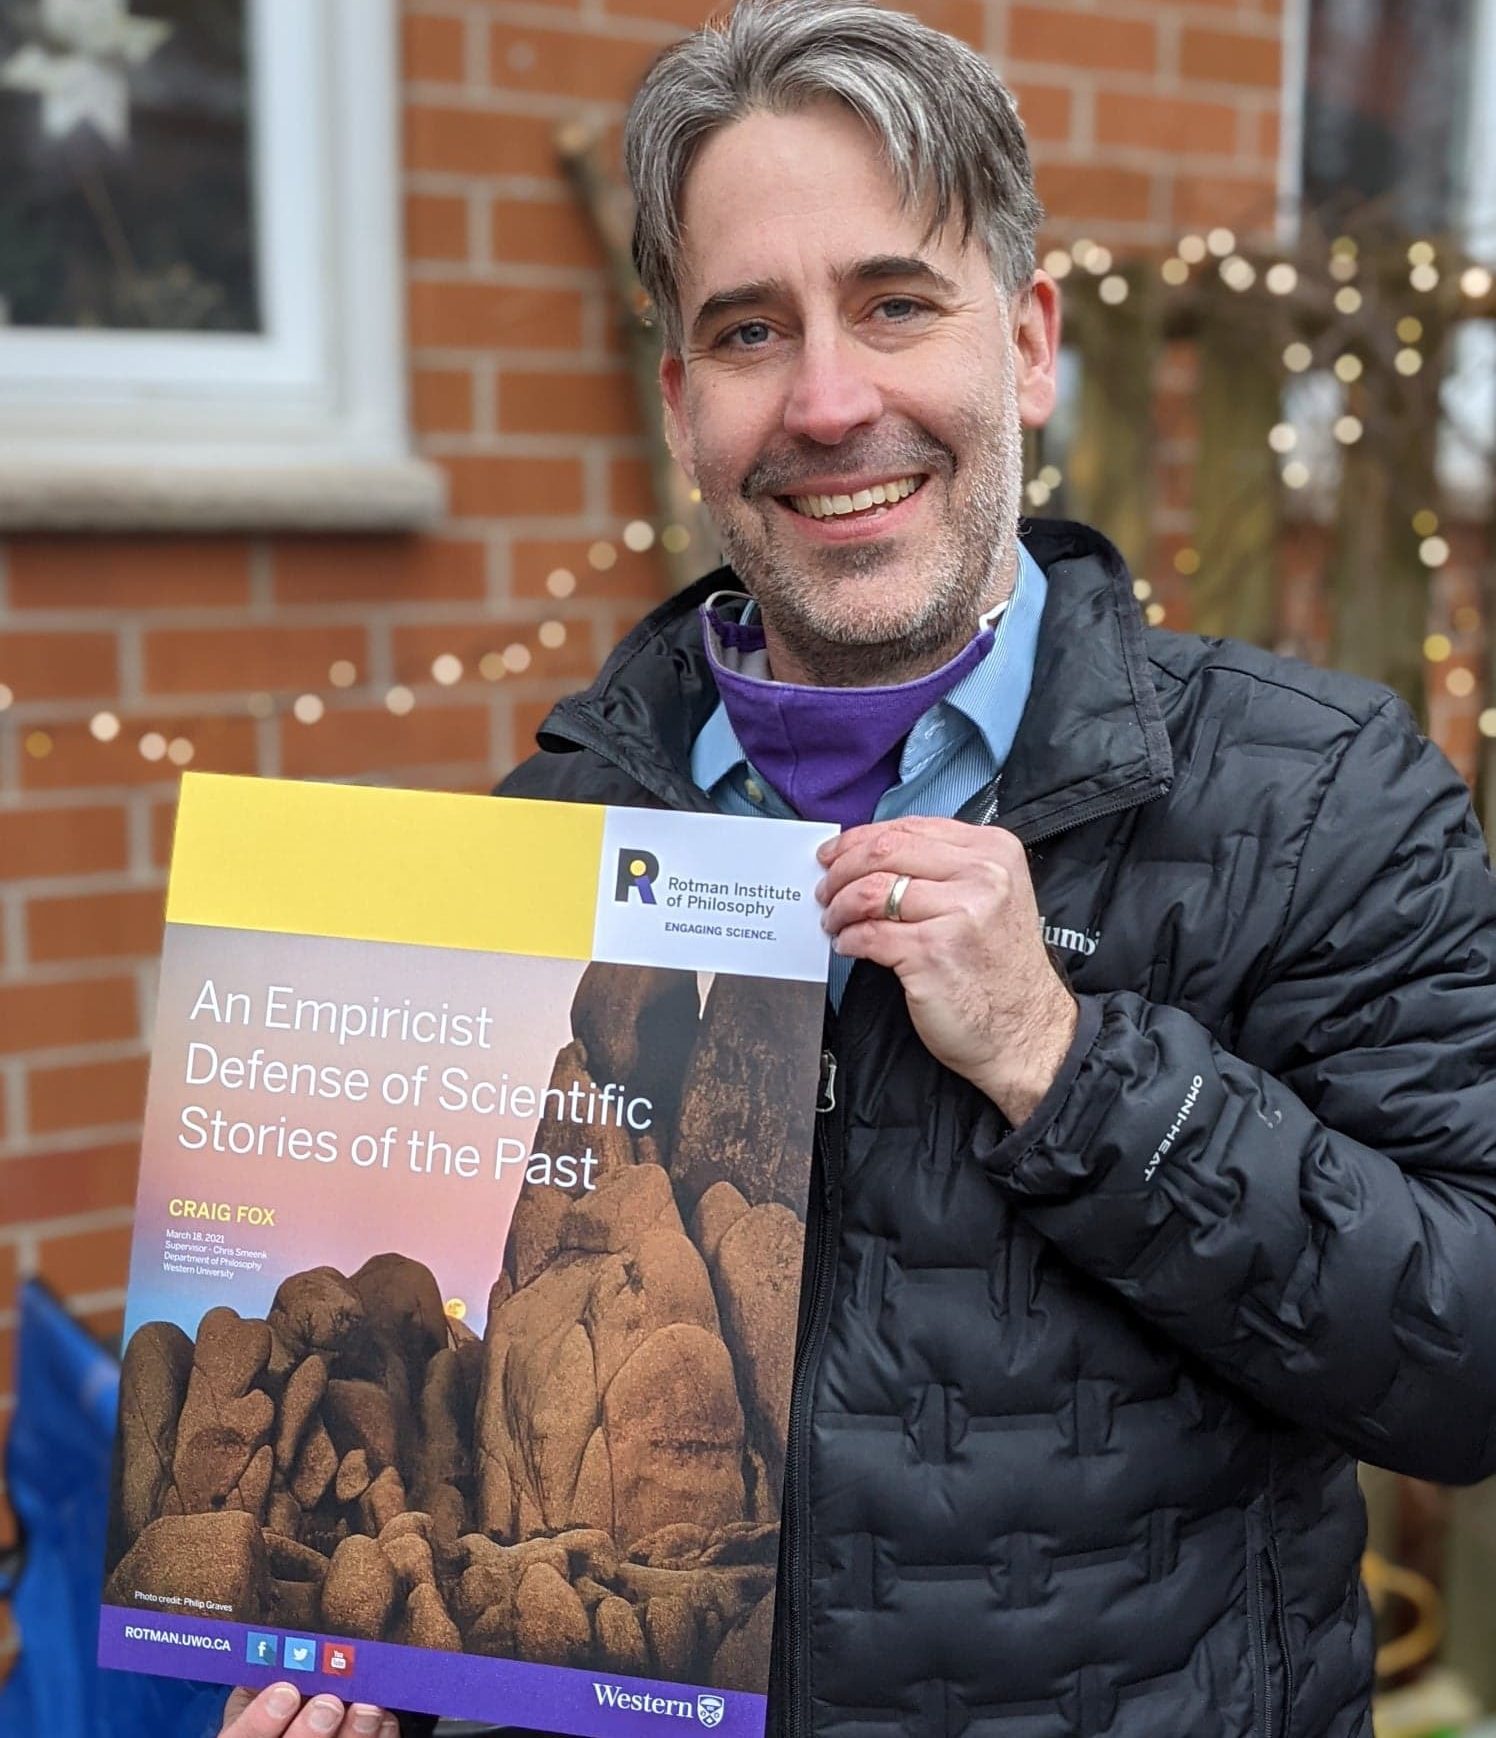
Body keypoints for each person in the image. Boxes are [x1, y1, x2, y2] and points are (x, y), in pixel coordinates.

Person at [222, 1, 1496, 1734]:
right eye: (750, 332)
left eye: (897, 304)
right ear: (683, 406)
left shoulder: (1323, 792)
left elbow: (1471, 1361)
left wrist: (1073, 1065)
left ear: (1028, 345)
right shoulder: (545, 840)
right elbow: (482, 1411)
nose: (830, 401)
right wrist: (393, 1675)